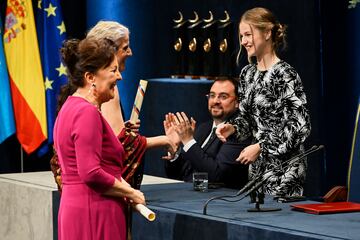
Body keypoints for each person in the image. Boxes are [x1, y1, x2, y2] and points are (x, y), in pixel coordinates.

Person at [51, 21, 176, 191]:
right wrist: (165, 140)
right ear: (108, 50)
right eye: (125, 47)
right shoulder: (103, 93)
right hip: (95, 198)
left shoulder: (78, 90)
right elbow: (121, 145)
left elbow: (94, 140)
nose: (130, 53)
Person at [54, 38, 145, 240]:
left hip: (78, 208)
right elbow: (91, 173)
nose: (120, 77)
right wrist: (130, 192)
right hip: (94, 211)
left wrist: (122, 187)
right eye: (113, 71)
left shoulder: (69, 106)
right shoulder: (86, 113)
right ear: (90, 77)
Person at [216, 7, 311, 197]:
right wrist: (233, 128)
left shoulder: (285, 74)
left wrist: (261, 147)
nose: (243, 42)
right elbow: (249, 121)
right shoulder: (247, 74)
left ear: (267, 33)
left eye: (248, 35)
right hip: (257, 171)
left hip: (284, 171)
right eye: (241, 36)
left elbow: (300, 126)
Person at [164, 78, 251, 189]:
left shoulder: (238, 132)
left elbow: (216, 176)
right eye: (212, 95)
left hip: (218, 202)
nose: (215, 101)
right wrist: (174, 150)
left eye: (223, 96)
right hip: (189, 196)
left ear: (237, 102)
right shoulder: (203, 128)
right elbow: (179, 175)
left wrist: (188, 141)